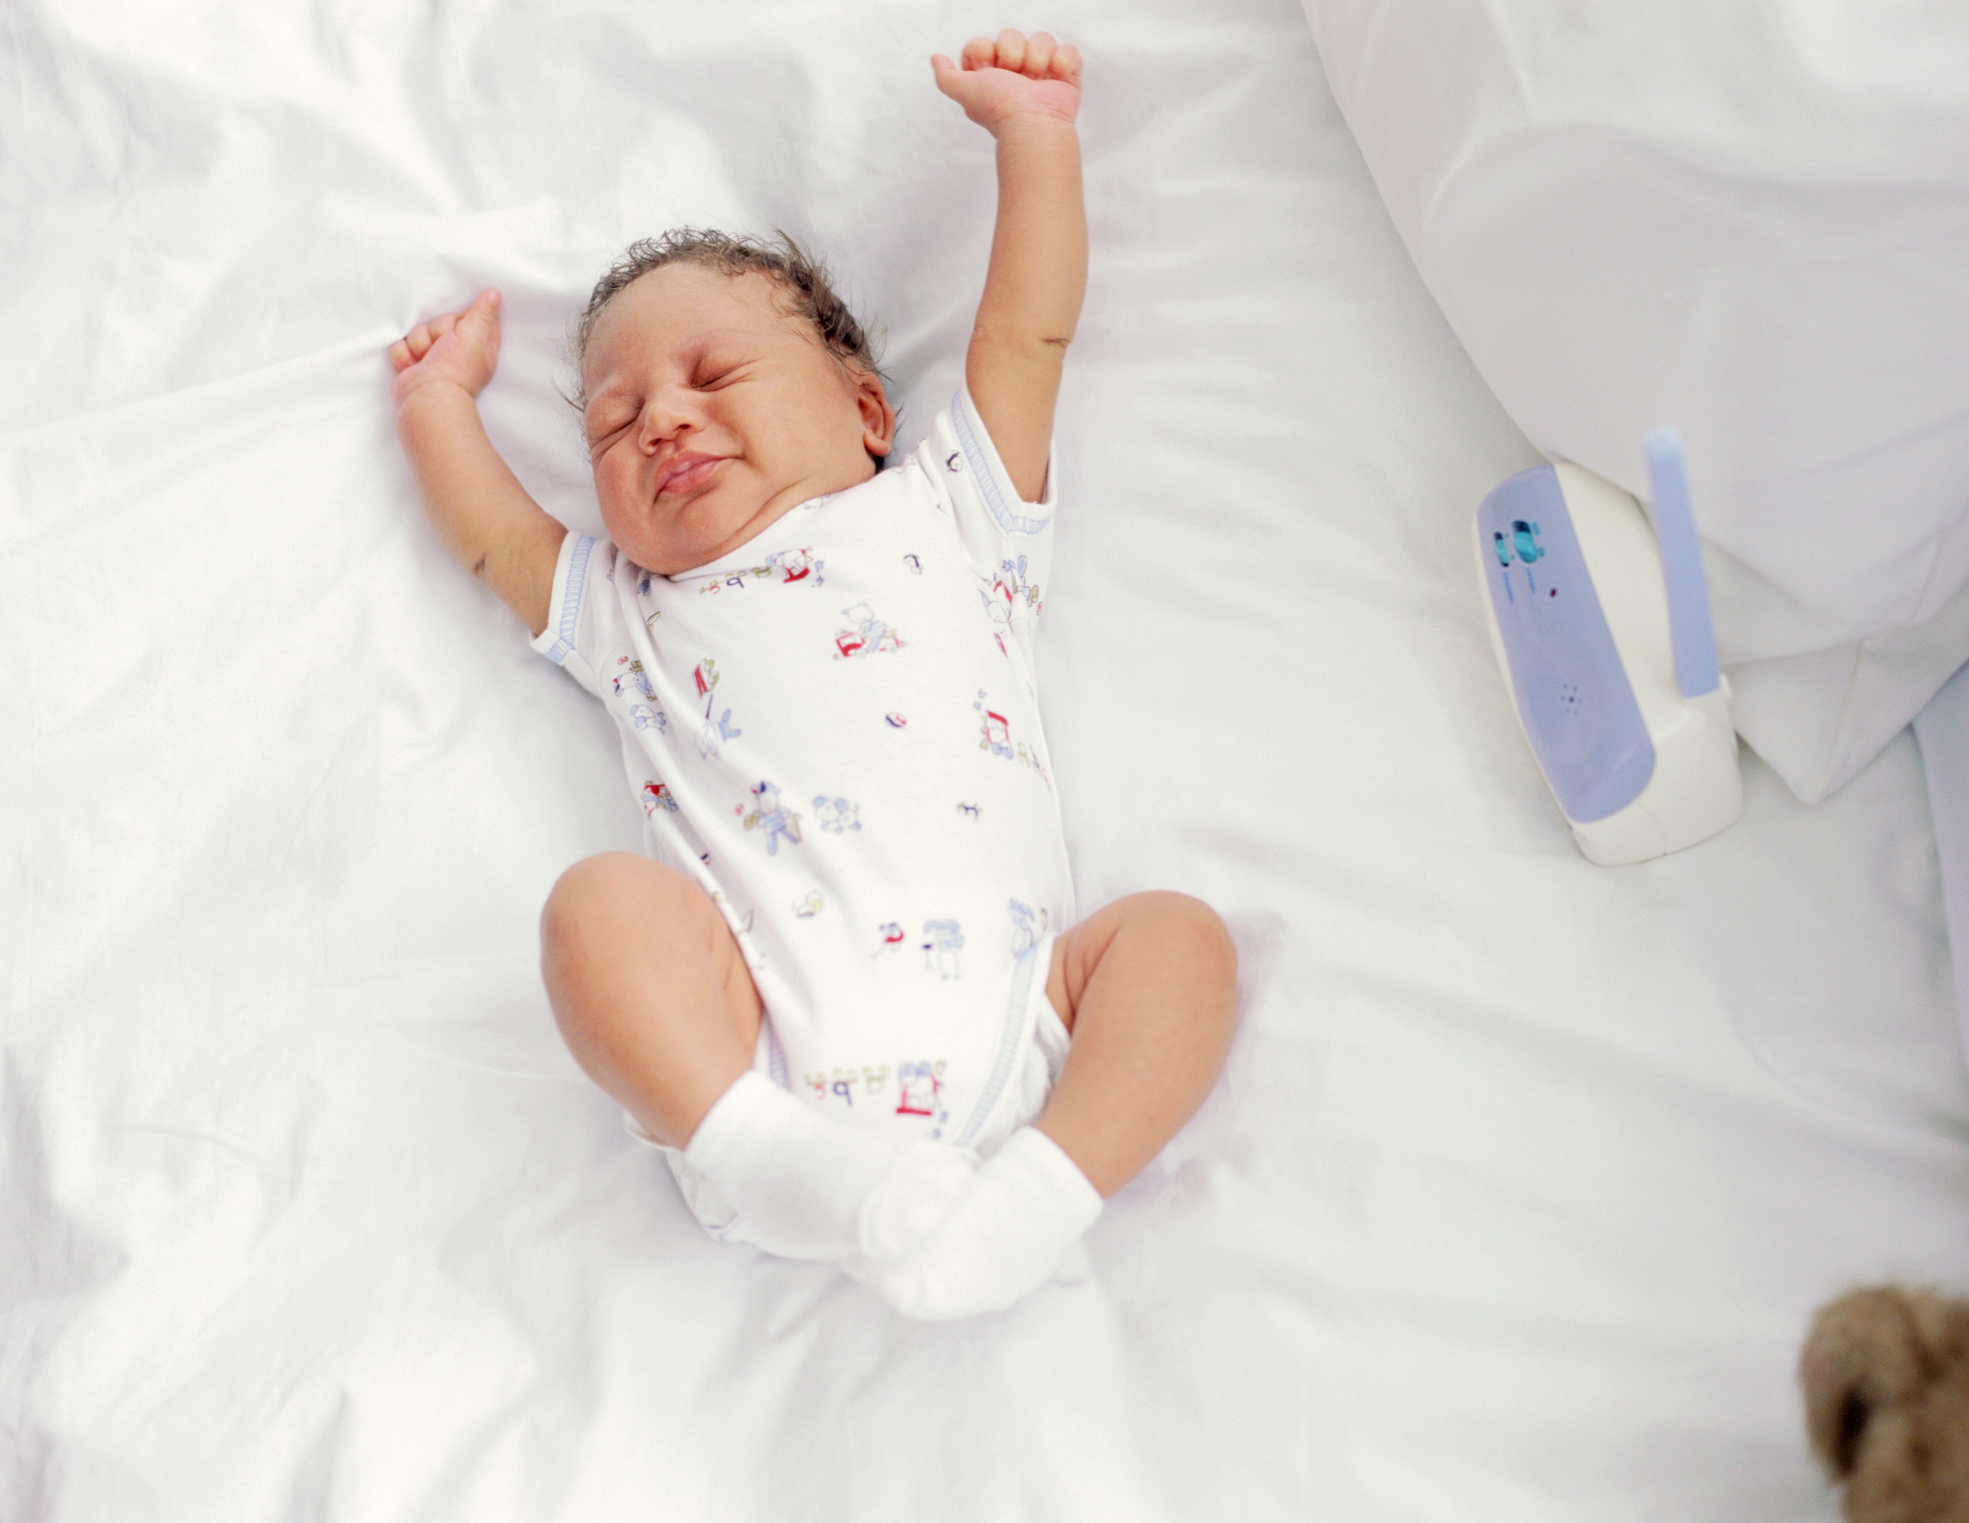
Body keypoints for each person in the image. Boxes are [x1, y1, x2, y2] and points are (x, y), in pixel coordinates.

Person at [387, 30, 1237, 1319]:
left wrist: (1035, 138)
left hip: (1025, 1027)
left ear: (867, 413)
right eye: (614, 423)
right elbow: (500, 536)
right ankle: (770, 1162)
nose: (661, 418)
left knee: (1180, 943)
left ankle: (1044, 1195)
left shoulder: (951, 512)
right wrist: (438, 407)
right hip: (754, 1051)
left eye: (715, 374)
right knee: (597, 913)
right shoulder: (634, 610)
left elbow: (1026, 333)